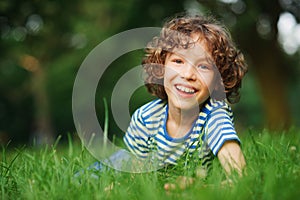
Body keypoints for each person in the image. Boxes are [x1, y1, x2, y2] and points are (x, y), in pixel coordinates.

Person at [84, 12, 247, 190]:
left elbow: (240, 174)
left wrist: (200, 187)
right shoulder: (145, 118)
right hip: (127, 163)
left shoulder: (214, 115)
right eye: (178, 61)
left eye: (203, 66)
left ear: (219, 80)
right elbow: (133, 170)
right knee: (86, 180)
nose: (187, 75)